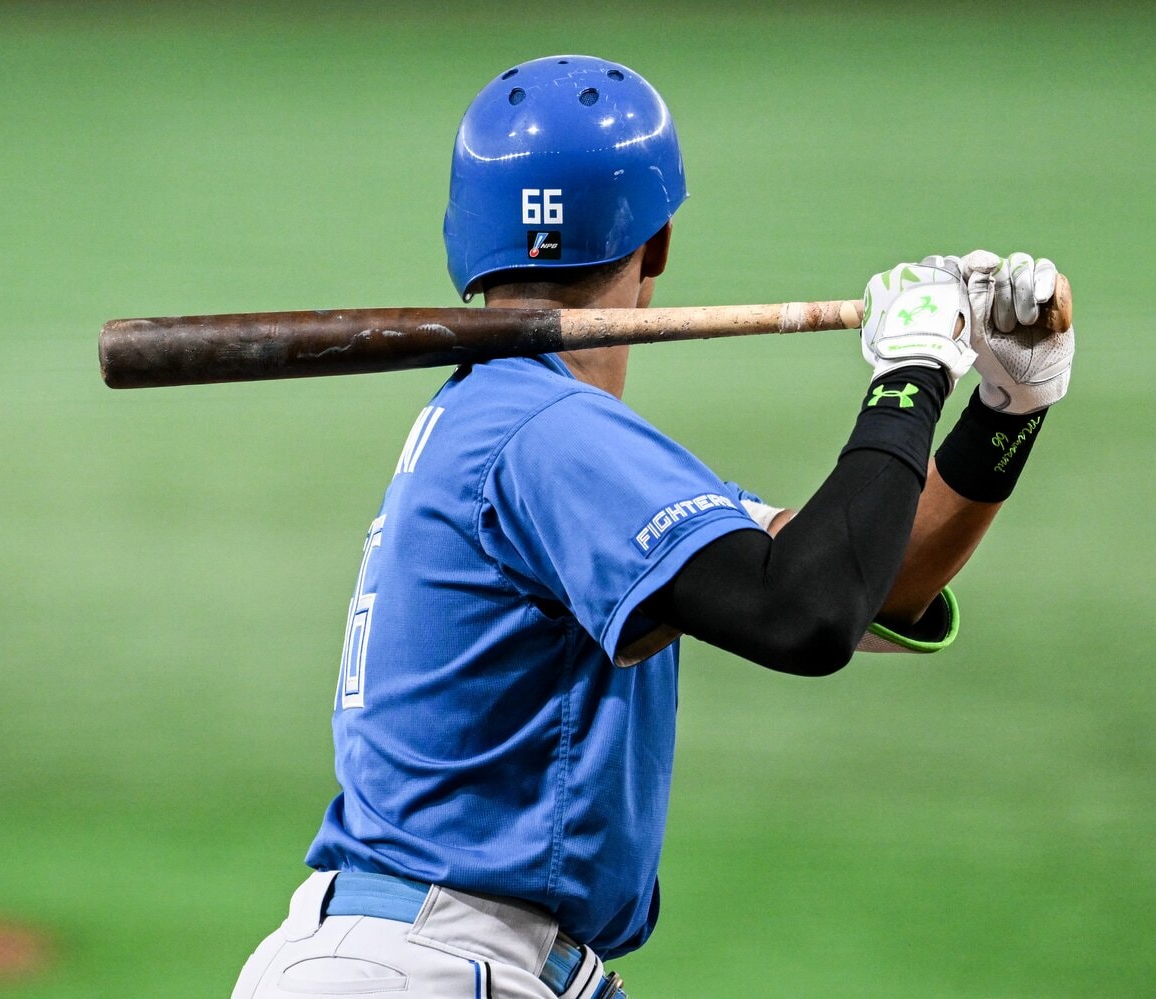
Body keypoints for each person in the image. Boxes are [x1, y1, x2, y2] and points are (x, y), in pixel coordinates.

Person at [230, 55, 1073, 999]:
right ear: (658, 243)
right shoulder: (545, 430)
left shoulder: (522, 429)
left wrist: (1007, 404)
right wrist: (909, 381)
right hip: (429, 967)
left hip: (422, 957)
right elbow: (807, 614)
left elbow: (856, 576)